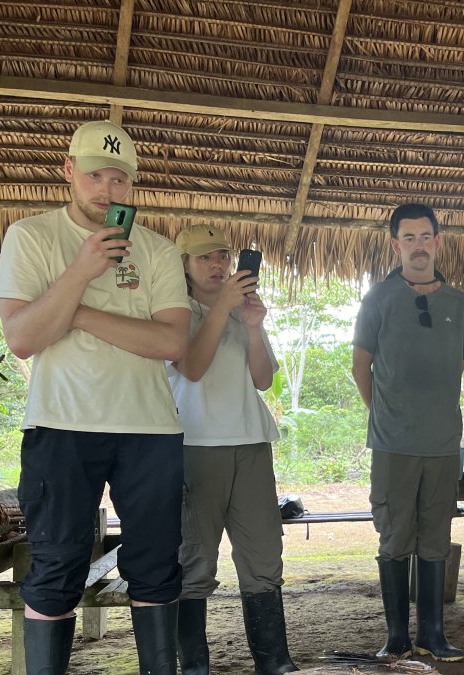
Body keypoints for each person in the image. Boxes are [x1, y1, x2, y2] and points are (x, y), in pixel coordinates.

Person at [0, 120, 190, 674]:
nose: (107, 190)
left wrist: (73, 314)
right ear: (69, 172)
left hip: (151, 431)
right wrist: (80, 272)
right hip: (61, 426)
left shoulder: (155, 248)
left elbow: (171, 341)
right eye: (95, 175)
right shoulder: (30, 236)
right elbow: (24, 338)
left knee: (155, 567)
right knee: (55, 568)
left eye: (120, 180)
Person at [166, 225, 298, 675]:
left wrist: (254, 327)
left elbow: (262, 380)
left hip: (251, 444)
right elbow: (193, 368)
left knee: (263, 557)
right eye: (204, 258)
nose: (217, 264)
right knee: (194, 561)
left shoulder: (242, 310)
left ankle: (274, 661)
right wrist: (222, 308)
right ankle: (195, 666)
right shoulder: (175, 309)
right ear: (184, 265)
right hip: (196, 446)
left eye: (222, 255)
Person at [351, 203, 464, 663]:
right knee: (395, 536)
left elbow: (458, 367)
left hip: (443, 444)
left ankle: (434, 634)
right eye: (409, 238)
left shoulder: (459, 303)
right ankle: (397, 637)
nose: (419, 246)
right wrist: (386, 413)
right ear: (396, 244)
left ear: (438, 242)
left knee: (435, 536)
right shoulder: (378, 299)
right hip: (393, 444)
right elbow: (359, 366)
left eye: (426, 237)